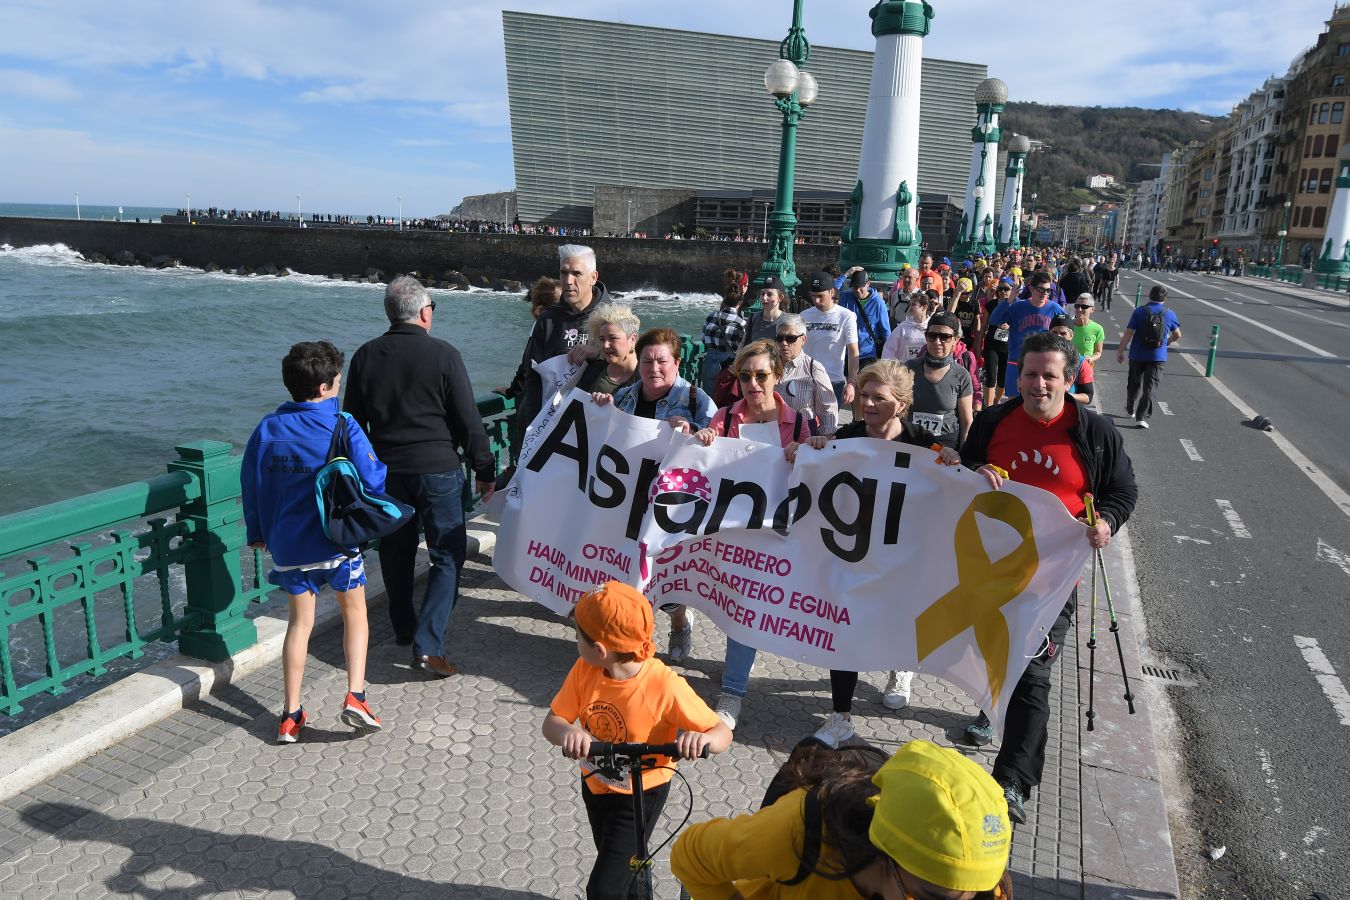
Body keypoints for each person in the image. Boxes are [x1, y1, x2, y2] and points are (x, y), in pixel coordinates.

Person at [961, 331, 1137, 824]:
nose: (1039, 384)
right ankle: (989, 707)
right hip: (989, 570)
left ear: (1068, 379)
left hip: (1053, 580)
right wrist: (973, 468)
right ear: (1019, 375)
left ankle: (1013, 781)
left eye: (1050, 376)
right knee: (997, 656)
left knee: (1034, 675)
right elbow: (966, 463)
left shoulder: (1094, 432)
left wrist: (1107, 523)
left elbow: (1124, 489)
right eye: (1031, 374)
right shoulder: (995, 420)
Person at [786, 361, 960, 747]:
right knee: (841, 631)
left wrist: (952, 461)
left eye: (878, 398)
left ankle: (901, 668)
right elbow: (815, 461)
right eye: (864, 395)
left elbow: (952, 486)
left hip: (902, 559)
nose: (867, 404)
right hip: (852, 557)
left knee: (898, 623)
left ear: (900, 404)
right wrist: (810, 447)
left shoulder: (923, 447)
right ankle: (840, 715)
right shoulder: (845, 437)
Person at [344, 277, 496, 677]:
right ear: (425, 312)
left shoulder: (364, 356)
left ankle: (403, 626)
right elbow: (468, 419)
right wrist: (485, 468)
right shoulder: (444, 354)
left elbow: (353, 426)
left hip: (387, 473)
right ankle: (427, 645)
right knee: (447, 554)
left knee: (396, 551)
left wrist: (361, 476)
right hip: (438, 470)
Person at [543, 582, 732, 900]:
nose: (575, 640)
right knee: (621, 864)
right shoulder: (584, 670)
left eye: (578, 635)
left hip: (642, 793)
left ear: (601, 649)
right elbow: (552, 722)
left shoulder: (664, 684)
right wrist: (568, 732)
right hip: (595, 784)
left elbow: (722, 732)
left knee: (603, 888)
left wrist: (701, 740)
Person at [243, 341, 385, 743]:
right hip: (335, 542)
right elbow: (373, 480)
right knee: (354, 612)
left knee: (299, 624)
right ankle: (355, 696)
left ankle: (290, 715)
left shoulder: (267, 428)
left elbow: (251, 486)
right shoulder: (343, 424)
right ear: (324, 386)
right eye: (337, 380)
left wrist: (256, 532)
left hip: (288, 546)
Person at [670, 739, 1013, 899]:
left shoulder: (979, 884)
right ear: (884, 853)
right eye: (929, 899)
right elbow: (691, 857)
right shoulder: (799, 833)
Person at [692, 340, 814, 730]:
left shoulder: (796, 422)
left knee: (746, 607)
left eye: (762, 375)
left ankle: (733, 690)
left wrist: (807, 450)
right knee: (731, 605)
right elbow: (699, 457)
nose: (753, 383)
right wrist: (703, 439)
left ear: (778, 376)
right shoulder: (726, 417)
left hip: (773, 532)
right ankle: (686, 629)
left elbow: (813, 472)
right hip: (729, 530)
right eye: (745, 376)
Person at [594, 328, 716, 662]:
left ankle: (679, 620)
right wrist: (602, 408)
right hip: (626, 500)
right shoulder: (624, 397)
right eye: (647, 360)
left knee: (664, 579)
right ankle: (629, 646)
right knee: (624, 574)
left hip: (668, 506)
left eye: (662, 360)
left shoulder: (696, 400)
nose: (654, 368)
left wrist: (696, 434)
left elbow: (717, 450)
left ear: (677, 362)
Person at [515, 244, 613, 435]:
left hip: (597, 426)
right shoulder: (548, 320)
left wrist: (600, 352)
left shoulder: (613, 317)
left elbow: (633, 364)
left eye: (577, 273)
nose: (568, 281)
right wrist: (534, 428)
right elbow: (533, 376)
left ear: (593, 277)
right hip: (554, 426)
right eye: (563, 272)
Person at [985, 272, 1065, 399]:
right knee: (1014, 403)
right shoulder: (1018, 306)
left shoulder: (1054, 308)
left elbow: (1067, 328)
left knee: (1037, 402)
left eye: (1048, 290)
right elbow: (993, 320)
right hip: (1016, 362)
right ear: (1032, 288)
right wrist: (1008, 301)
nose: (1045, 293)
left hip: (1042, 364)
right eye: (1041, 289)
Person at [904, 312, 974, 449]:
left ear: (955, 340)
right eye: (932, 336)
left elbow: (967, 422)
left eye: (945, 337)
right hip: (911, 440)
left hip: (946, 446)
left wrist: (964, 455)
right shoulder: (908, 368)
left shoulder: (962, 375)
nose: (937, 342)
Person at [1116, 285, 1181, 429]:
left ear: (1149, 296)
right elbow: (1177, 335)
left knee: (1134, 383)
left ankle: (1130, 409)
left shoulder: (1139, 312)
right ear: (1165, 298)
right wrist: (1167, 342)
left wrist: (1120, 351)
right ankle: (1142, 417)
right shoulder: (1169, 314)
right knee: (1150, 387)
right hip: (1158, 356)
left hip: (1137, 354)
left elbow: (1128, 332)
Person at [774, 312, 838, 437]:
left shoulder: (813, 368)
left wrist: (823, 439)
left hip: (802, 436)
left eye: (791, 338)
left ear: (803, 339)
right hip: (771, 433)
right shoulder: (767, 366)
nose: (784, 343)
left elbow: (828, 409)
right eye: (780, 338)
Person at [800, 270, 858, 406]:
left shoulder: (846, 316)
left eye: (820, 296)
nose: (816, 301)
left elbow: (853, 351)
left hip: (832, 380)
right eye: (813, 296)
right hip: (806, 378)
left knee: (829, 425)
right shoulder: (804, 315)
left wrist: (851, 383)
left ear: (832, 292)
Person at [577, 303, 640, 396]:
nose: (606, 345)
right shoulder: (591, 370)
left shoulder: (648, 376)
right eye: (602, 339)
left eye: (613, 338)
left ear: (632, 339)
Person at [699, 284, 748, 398]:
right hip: (727, 363)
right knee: (724, 397)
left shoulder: (712, 316)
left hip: (709, 360)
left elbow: (703, 337)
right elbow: (742, 346)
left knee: (707, 399)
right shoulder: (741, 323)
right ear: (739, 303)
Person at [837, 268, 891, 371]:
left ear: (868, 284)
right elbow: (831, 292)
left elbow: (886, 330)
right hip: (848, 352)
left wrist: (888, 356)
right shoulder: (846, 297)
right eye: (854, 287)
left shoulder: (878, 303)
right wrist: (846, 274)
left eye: (860, 287)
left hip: (868, 353)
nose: (857, 290)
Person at [1050, 315, 1092, 404]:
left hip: (1068, 412)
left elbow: (1088, 396)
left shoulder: (1080, 362)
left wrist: (1064, 396)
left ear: (1071, 335)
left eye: (1063, 333)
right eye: (1054, 332)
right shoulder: (1038, 357)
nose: (1058, 336)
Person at [881, 291, 931, 363]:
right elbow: (888, 351)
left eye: (913, 304)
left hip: (926, 371)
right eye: (910, 304)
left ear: (924, 307)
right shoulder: (903, 327)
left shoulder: (932, 326)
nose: (910, 307)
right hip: (905, 371)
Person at [741, 275, 789, 346]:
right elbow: (744, 345)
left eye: (769, 294)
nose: (764, 298)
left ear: (780, 297)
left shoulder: (787, 321)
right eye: (762, 294)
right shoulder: (753, 318)